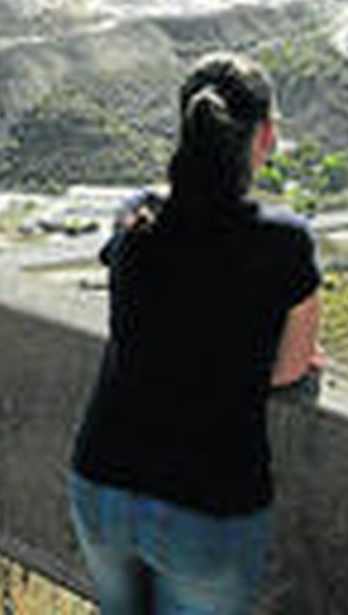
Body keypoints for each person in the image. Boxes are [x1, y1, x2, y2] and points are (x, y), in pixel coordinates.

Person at [69, 51, 325, 614]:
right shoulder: (287, 243)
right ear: (266, 137)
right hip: (207, 502)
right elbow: (287, 370)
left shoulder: (135, 217)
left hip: (102, 480)